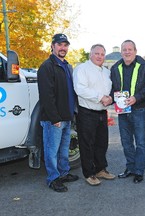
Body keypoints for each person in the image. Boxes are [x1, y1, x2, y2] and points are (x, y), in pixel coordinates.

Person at [37, 33, 79, 192]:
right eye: (60, 44)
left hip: (67, 116)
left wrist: (72, 113)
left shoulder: (67, 66)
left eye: (65, 45)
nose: (63, 48)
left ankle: (63, 173)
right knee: (51, 150)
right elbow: (46, 96)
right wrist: (54, 118)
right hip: (53, 119)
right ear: (53, 46)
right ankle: (53, 178)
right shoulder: (46, 67)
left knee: (63, 149)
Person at [110, 40, 145, 183]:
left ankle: (139, 171)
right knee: (126, 141)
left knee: (140, 142)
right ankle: (130, 167)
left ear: (135, 51)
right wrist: (109, 98)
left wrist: (136, 98)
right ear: (121, 52)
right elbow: (113, 88)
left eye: (130, 49)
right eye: (124, 50)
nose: (127, 52)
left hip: (139, 109)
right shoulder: (115, 68)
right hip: (123, 111)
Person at [73, 44, 115, 186]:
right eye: (97, 53)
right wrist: (100, 97)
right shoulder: (82, 69)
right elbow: (80, 89)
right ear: (91, 54)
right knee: (87, 144)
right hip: (87, 112)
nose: (99, 56)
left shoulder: (106, 72)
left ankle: (100, 169)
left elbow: (109, 89)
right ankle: (89, 173)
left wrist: (109, 98)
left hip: (102, 112)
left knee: (101, 143)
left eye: (102, 54)